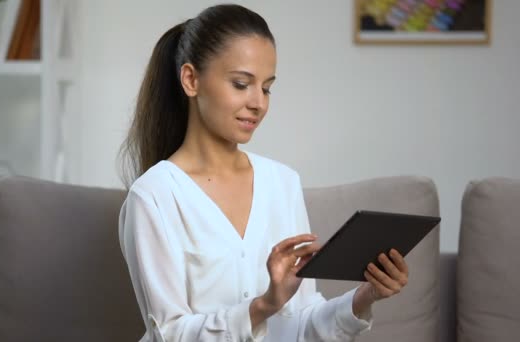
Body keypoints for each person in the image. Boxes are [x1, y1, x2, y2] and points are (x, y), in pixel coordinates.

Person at [118, 4, 409, 341]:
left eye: (267, 87)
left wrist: (365, 296)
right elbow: (169, 335)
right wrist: (264, 305)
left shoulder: (283, 183)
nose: (259, 103)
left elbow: (300, 323)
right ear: (191, 79)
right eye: (241, 84)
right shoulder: (154, 196)